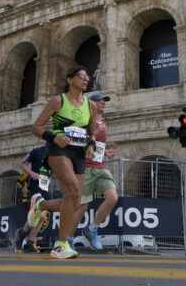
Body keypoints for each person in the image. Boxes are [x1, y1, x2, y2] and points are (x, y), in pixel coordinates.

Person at [29, 65, 96, 259]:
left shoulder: (90, 105)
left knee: (76, 200)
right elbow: (36, 127)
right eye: (81, 76)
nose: (86, 80)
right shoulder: (58, 101)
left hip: (79, 152)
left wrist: (91, 146)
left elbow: (92, 132)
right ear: (69, 80)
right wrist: (53, 137)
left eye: (88, 77)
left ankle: (40, 205)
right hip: (57, 148)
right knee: (74, 191)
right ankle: (61, 245)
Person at [74, 92, 118, 251]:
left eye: (105, 101)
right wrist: (95, 133)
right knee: (81, 207)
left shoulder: (104, 123)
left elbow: (96, 144)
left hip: (99, 166)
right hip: (85, 167)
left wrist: (105, 152)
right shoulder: (85, 121)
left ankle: (92, 229)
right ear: (92, 104)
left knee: (112, 198)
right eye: (101, 101)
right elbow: (78, 141)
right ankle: (68, 239)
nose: (104, 103)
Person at [14, 145, 50, 253]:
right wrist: (31, 173)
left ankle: (27, 240)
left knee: (41, 218)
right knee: (41, 215)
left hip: (45, 187)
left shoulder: (56, 154)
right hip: (35, 187)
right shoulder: (36, 151)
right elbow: (22, 164)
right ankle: (24, 236)